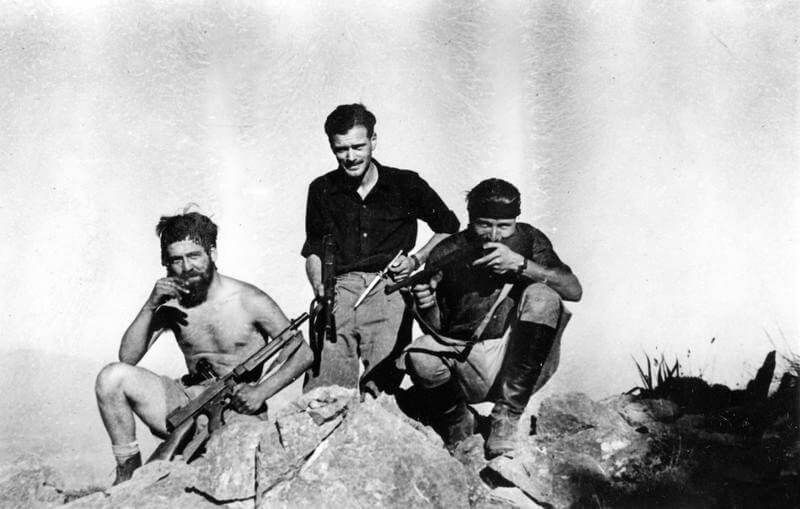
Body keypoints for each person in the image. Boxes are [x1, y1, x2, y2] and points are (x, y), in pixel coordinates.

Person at [95, 211, 313, 485]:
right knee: (111, 378)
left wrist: (260, 392)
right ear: (166, 264)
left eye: (194, 256)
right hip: (185, 401)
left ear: (212, 253)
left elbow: (303, 353)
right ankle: (127, 471)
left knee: (232, 466)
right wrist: (151, 305)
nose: (187, 267)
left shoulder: (249, 299)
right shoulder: (171, 305)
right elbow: (127, 357)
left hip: (237, 406)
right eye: (177, 260)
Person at [403, 178, 582, 458]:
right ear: (470, 219)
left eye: (504, 226)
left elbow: (573, 290)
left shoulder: (530, 239)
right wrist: (426, 306)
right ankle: (459, 421)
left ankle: (506, 417)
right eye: (484, 225)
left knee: (543, 296)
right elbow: (438, 331)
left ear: (516, 220)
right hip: (465, 361)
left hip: (516, 359)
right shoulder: (448, 250)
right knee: (420, 357)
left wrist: (522, 265)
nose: (494, 235)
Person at [302, 103, 459, 397]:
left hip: (389, 289)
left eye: (358, 146)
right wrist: (319, 286)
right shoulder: (321, 188)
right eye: (341, 149)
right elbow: (313, 249)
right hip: (339, 290)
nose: (350, 157)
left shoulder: (406, 184)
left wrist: (415, 261)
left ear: (373, 140)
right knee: (324, 391)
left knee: (381, 387)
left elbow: (449, 228)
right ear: (331, 147)